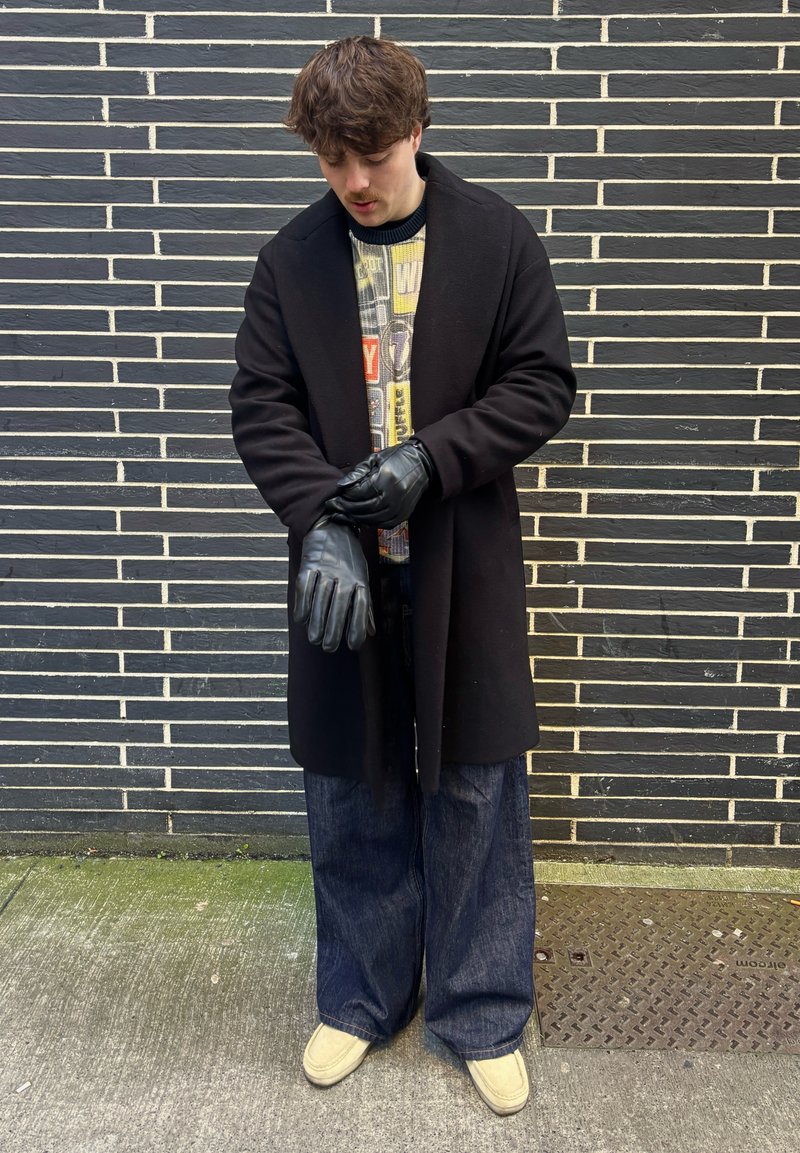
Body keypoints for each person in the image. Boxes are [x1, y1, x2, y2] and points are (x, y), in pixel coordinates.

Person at [228, 35, 577, 1116]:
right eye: (331, 158)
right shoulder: (291, 259)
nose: (353, 182)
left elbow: (540, 382)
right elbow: (261, 406)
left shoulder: (493, 237)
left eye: (370, 152)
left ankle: (478, 1010)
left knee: (473, 782)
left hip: (462, 562)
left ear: (416, 127)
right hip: (343, 580)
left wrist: (433, 458)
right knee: (349, 783)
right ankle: (361, 997)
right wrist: (319, 522)